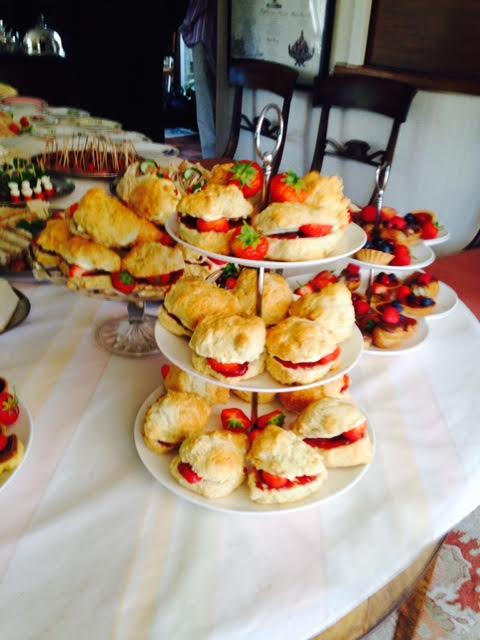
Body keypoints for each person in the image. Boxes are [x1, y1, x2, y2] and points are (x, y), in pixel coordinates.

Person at [180, 0, 217, 158]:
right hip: (209, 35)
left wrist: (183, 22)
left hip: (204, 36)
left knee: (205, 103)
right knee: (210, 100)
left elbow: (197, 4)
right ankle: (213, 156)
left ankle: (211, 158)